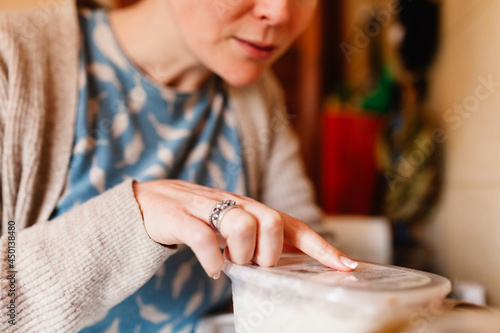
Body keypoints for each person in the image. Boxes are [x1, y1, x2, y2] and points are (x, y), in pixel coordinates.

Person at [0, 0, 358, 331]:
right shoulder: (11, 59)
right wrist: (130, 220)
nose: (279, 12)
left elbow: (307, 271)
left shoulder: (259, 95)